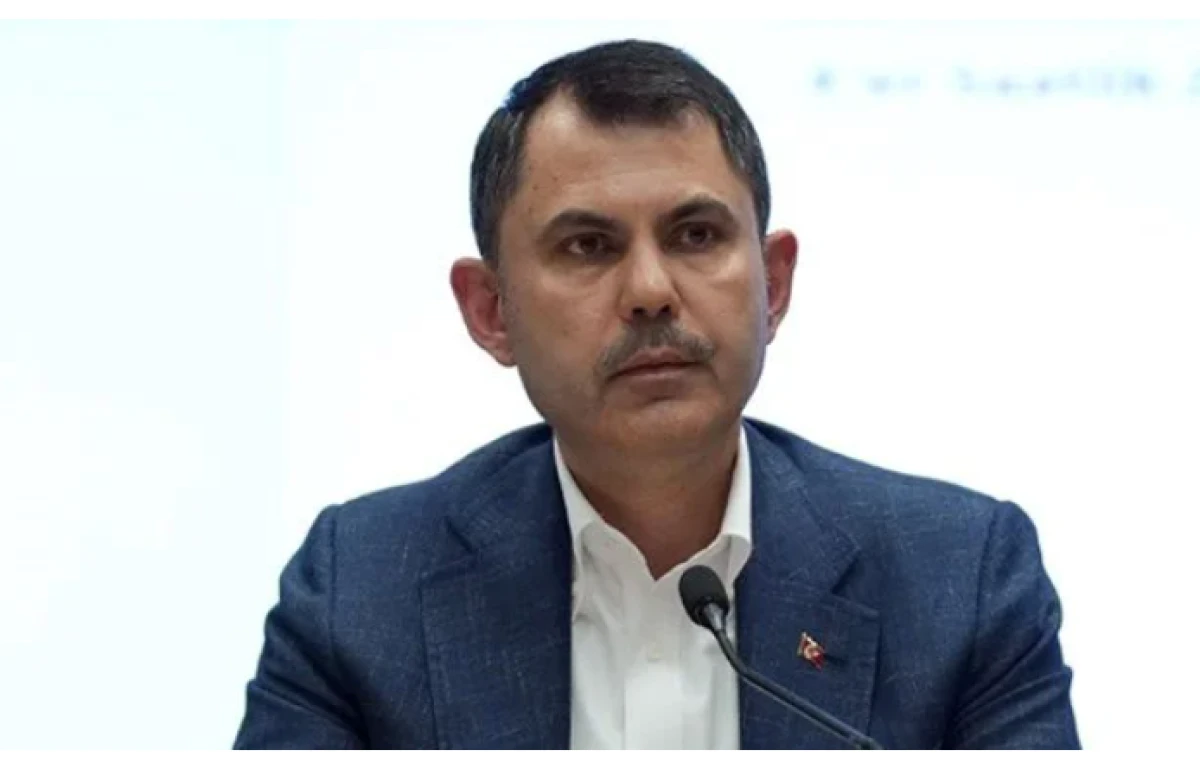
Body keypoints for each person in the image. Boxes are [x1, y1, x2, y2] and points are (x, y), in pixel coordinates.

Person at [234, 39, 1080, 749]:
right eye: (588, 245)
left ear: (774, 284)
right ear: (491, 311)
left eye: (696, 235)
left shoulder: (961, 579)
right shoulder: (360, 592)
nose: (649, 290)